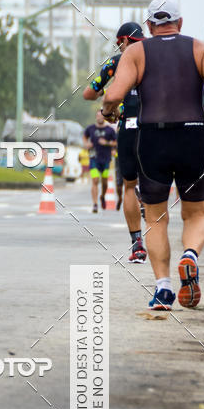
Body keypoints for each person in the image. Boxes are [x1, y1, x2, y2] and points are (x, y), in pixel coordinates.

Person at [103, 0, 204, 310]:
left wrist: (109, 111)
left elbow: (113, 95)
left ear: (150, 25)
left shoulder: (136, 51)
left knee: (157, 217)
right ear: (180, 23)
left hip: (152, 138)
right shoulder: (198, 48)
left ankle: (163, 289)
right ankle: (190, 255)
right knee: (197, 212)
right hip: (194, 134)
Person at [84, 22, 147, 263]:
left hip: (128, 126)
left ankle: (137, 245)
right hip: (157, 129)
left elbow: (89, 93)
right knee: (157, 188)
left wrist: (103, 96)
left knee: (128, 186)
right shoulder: (156, 56)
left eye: (118, 43)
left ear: (123, 41)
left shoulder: (117, 61)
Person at [83, 109, 117, 213]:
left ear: (104, 117)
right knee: (95, 180)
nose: (100, 118)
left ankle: (102, 196)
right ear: (96, 117)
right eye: (98, 116)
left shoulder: (110, 130)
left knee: (104, 182)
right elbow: (84, 137)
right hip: (94, 158)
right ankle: (95, 204)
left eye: (102, 116)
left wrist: (106, 143)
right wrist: (86, 144)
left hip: (106, 159)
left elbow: (116, 143)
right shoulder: (90, 129)